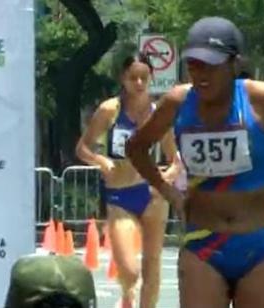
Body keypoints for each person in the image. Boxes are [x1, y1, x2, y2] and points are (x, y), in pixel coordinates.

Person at [126, 16, 264, 308]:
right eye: (193, 65)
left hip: (260, 245)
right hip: (203, 242)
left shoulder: (259, 98)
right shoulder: (177, 101)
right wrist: (170, 194)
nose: (200, 75)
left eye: (210, 66)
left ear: (234, 64)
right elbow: (136, 147)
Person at [75, 51, 180, 308]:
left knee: (152, 265)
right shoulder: (110, 110)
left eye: (144, 77)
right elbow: (82, 148)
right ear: (123, 78)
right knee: (130, 271)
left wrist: (165, 178)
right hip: (119, 196)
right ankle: (126, 292)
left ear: (152, 77)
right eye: (134, 78)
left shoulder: (159, 113)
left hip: (152, 196)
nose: (140, 83)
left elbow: (176, 159)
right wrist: (100, 161)